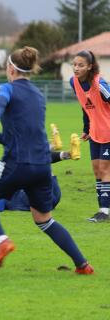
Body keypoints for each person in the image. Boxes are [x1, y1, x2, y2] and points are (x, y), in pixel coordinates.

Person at [0, 46, 93, 274]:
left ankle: (2, 241)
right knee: (44, 220)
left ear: (10, 68)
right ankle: (83, 264)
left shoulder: (5, 88)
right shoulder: (38, 95)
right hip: (42, 166)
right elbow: (21, 134)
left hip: (17, 162)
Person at [0, 131, 79, 212]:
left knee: (38, 162)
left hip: (50, 197)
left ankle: (64, 152)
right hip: (42, 198)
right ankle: (55, 148)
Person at [70, 50, 110, 223]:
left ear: (90, 67)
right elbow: (85, 106)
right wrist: (86, 128)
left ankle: (104, 212)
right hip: (95, 132)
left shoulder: (99, 83)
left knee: (105, 169)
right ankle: (102, 209)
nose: (76, 68)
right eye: (74, 64)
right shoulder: (74, 82)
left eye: (80, 65)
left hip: (109, 132)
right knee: (96, 170)